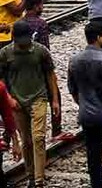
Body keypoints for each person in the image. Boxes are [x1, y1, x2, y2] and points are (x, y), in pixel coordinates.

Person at [0, 21, 60, 188]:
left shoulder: (40, 51)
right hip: (17, 101)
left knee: (39, 138)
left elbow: (51, 75)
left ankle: (39, 179)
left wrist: (54, 100)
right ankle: (31, 175)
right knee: (26, 141)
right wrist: (9, 99)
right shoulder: (5, 54)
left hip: (39, 98)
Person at [67, 21, 102, 188]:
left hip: (86, 113)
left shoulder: (74, 60)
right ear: (99, 37)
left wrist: (82, 103)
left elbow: (72, 88)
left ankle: (96, 185)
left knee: (93, 154)